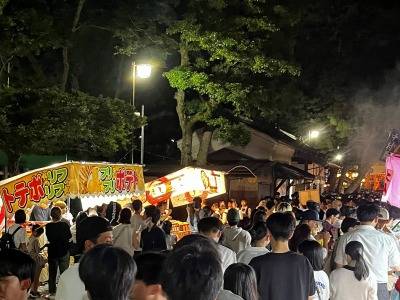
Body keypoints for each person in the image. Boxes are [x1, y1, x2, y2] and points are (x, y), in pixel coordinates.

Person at [335, 204, 400, 300]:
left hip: (352, 284)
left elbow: (339, 265)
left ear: (358, 217)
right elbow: (396, 266)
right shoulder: (387, 239)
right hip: (379, 284)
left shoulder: (346, 237)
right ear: (376, 219)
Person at [249, 212, 316, 300]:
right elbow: (310, 297)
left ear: (268, 232)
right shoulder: (304, 262)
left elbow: (250, 296)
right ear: (291, 234)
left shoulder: (256, 264)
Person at [55, 216, 113, 300]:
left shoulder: (113, 272)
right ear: (89, 245)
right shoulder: (71, 278)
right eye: (107, 242)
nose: (112, 247)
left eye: (112, 241)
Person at [45, 206, 72, 296]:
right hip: (63, 251)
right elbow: (69, 237)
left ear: (51, 215)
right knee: (64, 274)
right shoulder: (64, 225)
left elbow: (49, 238)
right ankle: (64, 291)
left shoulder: (48, 226)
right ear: (60, 215)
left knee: (52, 274)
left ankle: (52, 291)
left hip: (52, 252)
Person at [27, 225, 46, 298]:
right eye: (40, 234)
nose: (39, 235)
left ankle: (33, 291)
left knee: (32, 277)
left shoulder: (29, 238)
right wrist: (44, 246)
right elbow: (38, 251)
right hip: (36, 259)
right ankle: (34, 292)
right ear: (36, 232)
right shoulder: (36, 240)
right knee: (36, 277)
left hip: (30, 259)